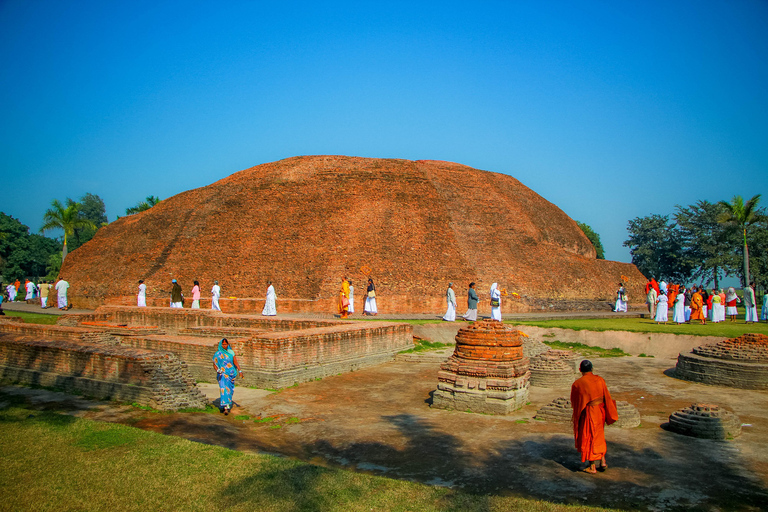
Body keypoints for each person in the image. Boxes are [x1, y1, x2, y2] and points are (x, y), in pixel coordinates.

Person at [570, 360, 618, 474]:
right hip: (600, 411)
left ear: (580, 370)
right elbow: (607, 396)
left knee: (589, 437)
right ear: (592, 369)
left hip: (589, 413)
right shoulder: (600, 380)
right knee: (599, 436)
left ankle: (592, 466)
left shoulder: (578, 384)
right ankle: (603, 461)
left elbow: (575, 402)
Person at [211, 338, 242, 415]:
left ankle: (227, 404)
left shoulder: (231, 352)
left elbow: (235, 362)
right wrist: (218, 370)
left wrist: (240, 370)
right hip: (222, 375)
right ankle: (225, 407)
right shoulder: (218, 354)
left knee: (229, 390)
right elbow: (215, 364)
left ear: (228, 344)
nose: (224, 346)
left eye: (226, 344)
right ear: (221, 345)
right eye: (223, 344)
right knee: (223, 389)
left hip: (230, 374)